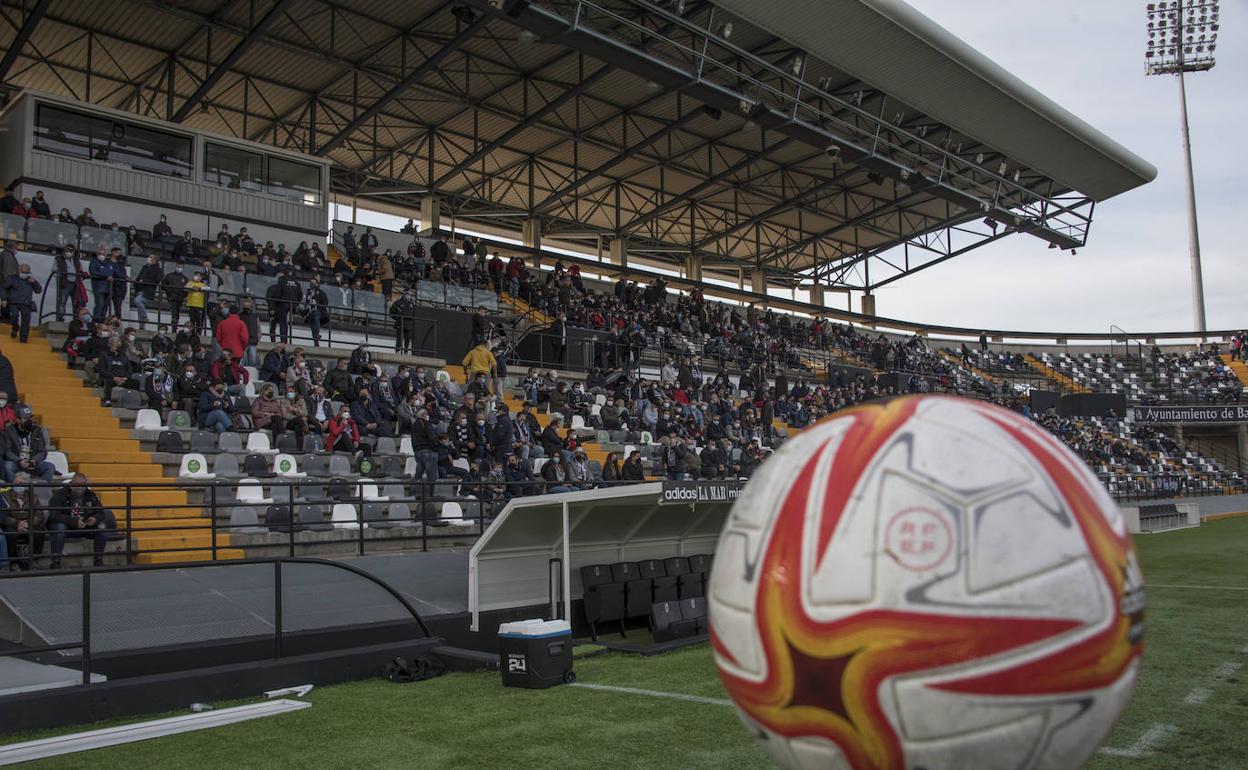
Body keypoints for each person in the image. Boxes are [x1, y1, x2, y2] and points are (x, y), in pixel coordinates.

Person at [46, 474, 109, 568]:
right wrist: (74, 521)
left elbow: (101, 512)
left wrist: (94, 519)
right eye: (77, 484)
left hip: (85, 525)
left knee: (101, 527)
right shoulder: (60, 494)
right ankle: (56, 560)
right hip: (67, 525)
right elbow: (54, 515)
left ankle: (98, 559)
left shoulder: (91, 495)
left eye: (82, 485)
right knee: (59, 528)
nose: (80, 487)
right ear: (71, 484)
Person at [2, 405, 53, 482]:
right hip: (17, 462)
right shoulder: (10, 430)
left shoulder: (37, 430)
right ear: (18, 420)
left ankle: (40, 489)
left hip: (32, 463)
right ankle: (18, 490)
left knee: (50, 467)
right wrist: (19, 461)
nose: (29, 421)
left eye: (30, 418)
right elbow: (7, 451)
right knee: (7, 466)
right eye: (25, 419)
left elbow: (42, 451)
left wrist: (34, 460)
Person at [1, 483, 44, 571]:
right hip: (13, 523)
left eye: (21, 483)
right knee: (11, 534)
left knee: (39, 532)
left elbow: (39, 514)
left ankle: (34, 560)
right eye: (16, 483)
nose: (19, 485)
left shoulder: (33, 496)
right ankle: (13, 562)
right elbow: (4, 515)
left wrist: (28, 523)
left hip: (29, 522)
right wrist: (17, 523)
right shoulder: (5, 496)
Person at [3, 264, 41, 343]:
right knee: (14, 316)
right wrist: (4, 298)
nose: (26, 274)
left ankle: (23, 340)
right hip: (14, 302)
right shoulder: (12, 278)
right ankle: (15, 328)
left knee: (26, 323)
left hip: (26, 303)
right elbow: (3, 287)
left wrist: (34, 282)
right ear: (19, 270)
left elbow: (39, 290)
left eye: (28, 272)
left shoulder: (31, 280)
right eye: (24, 271)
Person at [96, 336, 135, 406]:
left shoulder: (123, 355)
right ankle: (107, 401)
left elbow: (129, 368)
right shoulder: (104, 354)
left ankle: (133, 402)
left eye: (119, 343)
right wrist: (114, 377)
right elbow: (101, 369)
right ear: (111, 344)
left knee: (136, 383)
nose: (119, 345)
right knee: (108, 381)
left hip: (123, 378)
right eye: (117, 343)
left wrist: (126, 377)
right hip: (110, 377)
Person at [160, 262, 188, 329]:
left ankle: (175, 324)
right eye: (178, 266)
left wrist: (183, 296)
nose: (179, 268)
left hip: (180, 298)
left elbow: (187, 290)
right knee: (174, 308)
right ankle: (174, 324)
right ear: (176, 266)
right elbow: (163, 285)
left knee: (176, 311)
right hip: (171, 297)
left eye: (181, 266)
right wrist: (170, 291)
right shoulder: (169, 275)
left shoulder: (185, 278)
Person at [302, 277, 328, 347]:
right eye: (311, 282)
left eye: (313, 282)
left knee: (316, 320)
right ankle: (316, 342)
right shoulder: (308, 292)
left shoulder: (320, 292)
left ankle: (317, 334)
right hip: (309, 312)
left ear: (317, 284)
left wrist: (321, 308)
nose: (312, 284)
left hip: (317, 310)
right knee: (312, 327)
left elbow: (325, 301)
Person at [88, 249, 112, 319]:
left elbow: (110, 272)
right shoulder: (94, 262)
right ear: (97, 254)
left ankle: (101, 320)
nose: (102, 255)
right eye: (100, 254)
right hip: (98, 287)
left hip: (108, 288)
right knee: (100, 304)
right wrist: (105, 276)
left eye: (103, 254)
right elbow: (93, 272)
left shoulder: (107, 263)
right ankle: (96, 321)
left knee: (105, 306)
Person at [109, 248, 128, 319]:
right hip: (108, 287)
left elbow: (123, 276)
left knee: (118, 309)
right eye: (118, 253)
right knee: (103, 306)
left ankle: (117, 322)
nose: (120, 255)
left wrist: (124, 291)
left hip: (119, 289)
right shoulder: (107, 262)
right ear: (113, 253)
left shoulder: (120, 265)